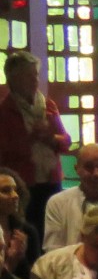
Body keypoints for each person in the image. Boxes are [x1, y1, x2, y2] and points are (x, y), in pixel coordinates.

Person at [0, 51, 71, 236]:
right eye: (28, 75)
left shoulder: (48, 106)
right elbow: (5, 151)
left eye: (36, 74)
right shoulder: (5, 111)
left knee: (54, 230)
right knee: (29, 232)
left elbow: (66, 143)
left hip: (51, 181)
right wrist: (32, 137)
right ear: (13, 79)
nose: (35, 80)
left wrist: (50, 138)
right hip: (23, 186)